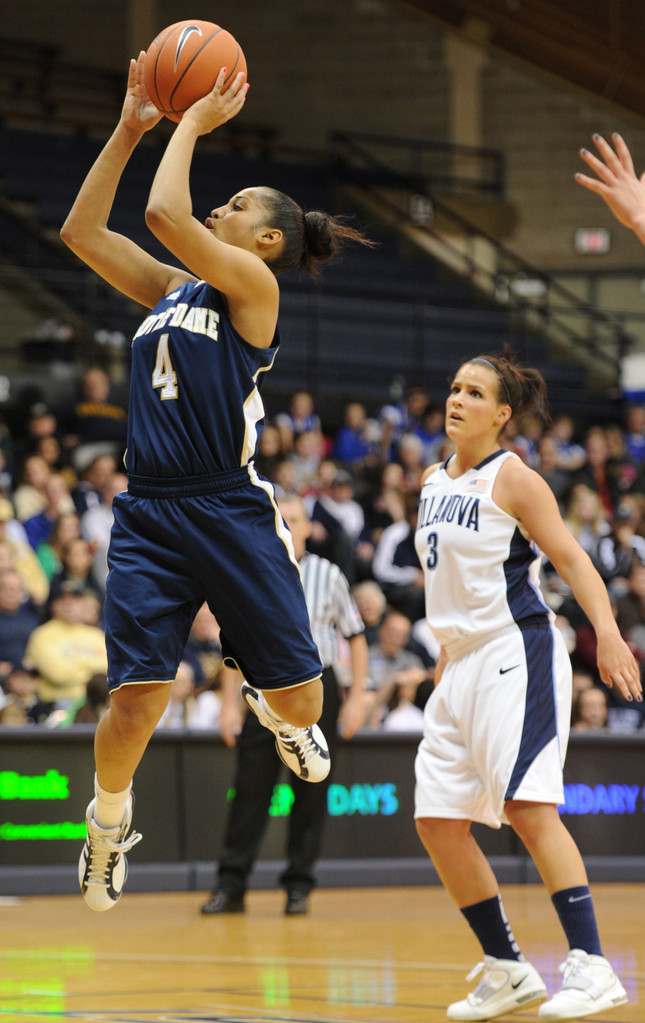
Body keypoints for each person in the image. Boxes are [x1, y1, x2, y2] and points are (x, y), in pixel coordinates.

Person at [59, 52, 372, 913]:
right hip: (149, 512)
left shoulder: (253, 288)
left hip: (228, 505)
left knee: (304, 701)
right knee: (134, 703)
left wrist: (191, 118)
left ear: (266, 240)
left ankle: (277, 710)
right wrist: (129, 128)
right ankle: (107, 822)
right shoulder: (171, 289)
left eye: (232, 206)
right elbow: (82, 233)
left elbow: (163, 212)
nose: (214, 209)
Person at [413, 350, 641, 1021]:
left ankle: (591, 965)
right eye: (454, 387)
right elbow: (449, 584)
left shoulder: (514, 478)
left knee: (528, 808)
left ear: (502, 413)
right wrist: (444, 657)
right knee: (437, 821)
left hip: (515, 651)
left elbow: (570, 558)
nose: (457, 399)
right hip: (459, 661)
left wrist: (607, 633)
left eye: (474, 392)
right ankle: (508, 969)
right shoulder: (431, 479)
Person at [201, 494, 368, 916]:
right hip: (262, 685)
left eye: (294, 518)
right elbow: (233, 641)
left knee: (312, 791)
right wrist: (228, 705)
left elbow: (355, 635)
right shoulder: (251, 569)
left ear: (309, 527)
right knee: (249, 791)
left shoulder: (329, 574)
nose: (288, 525)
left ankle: (298, 886)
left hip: (318, 686)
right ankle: (230, 886)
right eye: (281, 518)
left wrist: (357, 697)